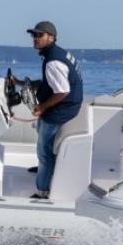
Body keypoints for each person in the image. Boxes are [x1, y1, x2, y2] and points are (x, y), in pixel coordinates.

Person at [20, 20, 83, 199]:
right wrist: (18, 82)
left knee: (44, 150)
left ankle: (42, 191)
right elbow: (50, 82)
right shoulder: (57, 54)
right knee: (41, 133)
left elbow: (62, 91)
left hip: (62, 109)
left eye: (39, 35)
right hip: (68, 105)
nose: (35, 38)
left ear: (51, 37)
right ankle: (44, 168)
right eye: (34, 35)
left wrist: (41, 107)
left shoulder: (53, 61)